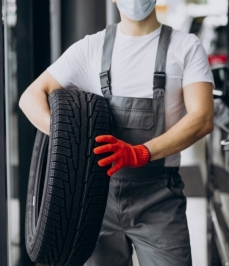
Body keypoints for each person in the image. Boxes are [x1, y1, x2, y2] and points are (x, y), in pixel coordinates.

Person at [19, 0, 215, 265]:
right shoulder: (92, 48)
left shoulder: (186, 47)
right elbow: (30, 98)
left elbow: (202, 118)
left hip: (159, 200)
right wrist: (69, 141)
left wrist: (141, 153)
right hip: (97, 201)